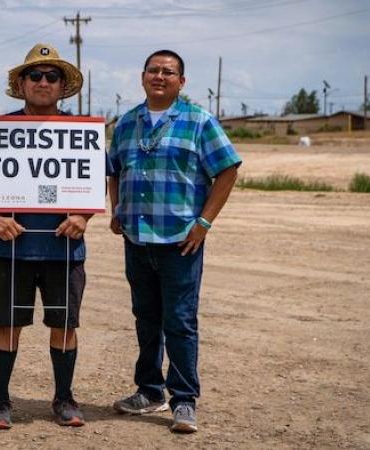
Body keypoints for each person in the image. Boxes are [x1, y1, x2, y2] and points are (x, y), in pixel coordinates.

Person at [0, 43, 100, 429]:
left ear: (63, 86)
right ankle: (0, 401)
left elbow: (94, 184)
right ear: (21, 84)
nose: (43, 82)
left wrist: (83, 216)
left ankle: (64, 399)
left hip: (64, 246)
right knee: (7, 324)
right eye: (35, 75)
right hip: (11, 246)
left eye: (51, 76)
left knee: (65, 325)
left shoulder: (81, 133)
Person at [108, 49, 241, 433]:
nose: (160, 76)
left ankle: (184, 400)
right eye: (154, 70)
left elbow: (228, 169)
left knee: (180, 322)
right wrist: (116, 209)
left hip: (181, 241)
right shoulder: (127, 123)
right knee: (146, 319)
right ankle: (149, 391)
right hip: (137, 238)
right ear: (143, 76)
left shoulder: (199, 121)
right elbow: (113, 170)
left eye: (169, 72)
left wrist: (204, 221)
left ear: (181, 82)